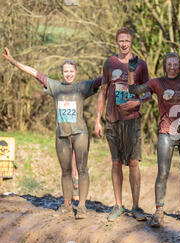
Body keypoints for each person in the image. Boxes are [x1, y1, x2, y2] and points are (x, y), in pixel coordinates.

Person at [2, 47, 101, 219]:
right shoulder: (55, 86)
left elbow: (101, 79)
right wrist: (14, 62)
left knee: (82, 169)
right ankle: (67, 204)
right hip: (62, 134)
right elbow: (35, 73)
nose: (68, 74)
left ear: (75, 72)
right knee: (65, 171)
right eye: (65, 71)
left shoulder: (82, 87)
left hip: (80, 134)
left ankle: (83, 207)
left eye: (71, 71)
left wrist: (118, 68)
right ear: (62, 73)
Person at [128, 52, 180, 227]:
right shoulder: (157, 82)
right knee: (163, 172)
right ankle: (159, 211)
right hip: (166, 131)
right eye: (169, 64)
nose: (172, 67)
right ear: (165, 66)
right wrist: (131, 72)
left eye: (175, 64)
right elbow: (134, 90)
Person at [94, 27, 149, 222]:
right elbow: (103, 90)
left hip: (132, 119)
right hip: (112, 119)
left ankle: (136, 207)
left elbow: (149, 91)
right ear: (116, 42)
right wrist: (97, 118)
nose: (124, 43)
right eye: (121, 40)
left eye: (127, 40)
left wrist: (138, 102)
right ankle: (118, 206)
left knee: (133, 162)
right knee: (116, 162)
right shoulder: (110, 63)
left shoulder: (140, 64)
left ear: (131, 42)